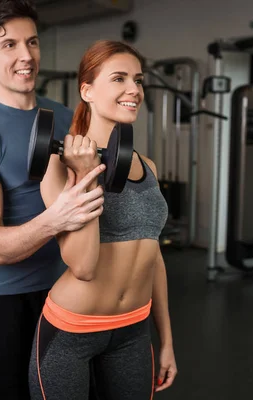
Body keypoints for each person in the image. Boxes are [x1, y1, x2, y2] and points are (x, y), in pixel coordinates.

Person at [0, 1, 106, 399]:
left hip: (66, 288)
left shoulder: (64, 114)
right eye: (9, 45)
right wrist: (58, 218)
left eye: (32, 42)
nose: (25, 56)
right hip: (5, 301)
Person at [29, 40, 178, 400]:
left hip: (133, 331)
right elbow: (82, 265)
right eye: (120, 79)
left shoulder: (149, 167)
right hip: (71, 332)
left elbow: (153, 257)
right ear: (88, 90)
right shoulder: (58, 164)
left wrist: (167, 340)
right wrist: (84, 176)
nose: (134, 90)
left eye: (138, 80)